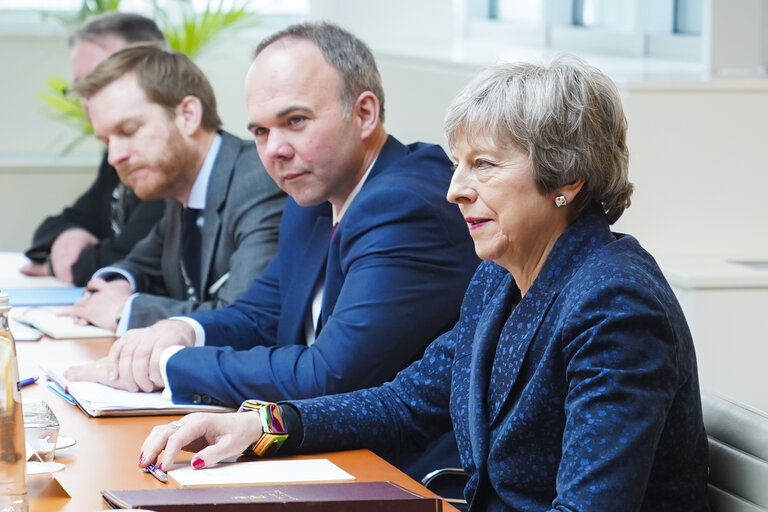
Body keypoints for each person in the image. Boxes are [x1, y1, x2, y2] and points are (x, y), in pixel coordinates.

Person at [138, 56, 711, 511]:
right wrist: (258, 426)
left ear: (566, 179)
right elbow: (409, 402)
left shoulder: (614, 303)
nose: (454, 189)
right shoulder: (499, 278)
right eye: (459, 164)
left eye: (484, 165)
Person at [66, 21, 478, 480]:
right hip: (323, 450)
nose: (275, 150)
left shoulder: (404, 203)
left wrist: (166, 364)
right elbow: (261, 315)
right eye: (260, 131)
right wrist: (183, 331)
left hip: (402, 473)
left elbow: (330, 375)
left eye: (295, 121)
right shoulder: (313, 197)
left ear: (364, 114)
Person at [65, 43, 285, 333]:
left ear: (188, 115)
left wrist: (124, 311)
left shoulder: (258, 183)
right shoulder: (181, 190)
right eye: (106, 141)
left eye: (128, 131)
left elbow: (247, 319)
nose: (114, 156)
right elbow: (142, 264)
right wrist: (119, 284)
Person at [22, 12, 167, 286]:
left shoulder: (166, 158)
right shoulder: (115, 154)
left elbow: (127, 258)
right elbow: (56, 226)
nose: (86, 102)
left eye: (98, 81)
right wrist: (69, 236)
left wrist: (56, 265)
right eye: (81, 87)